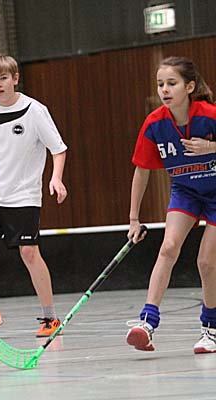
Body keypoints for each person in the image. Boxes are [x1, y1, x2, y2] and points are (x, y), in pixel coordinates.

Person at [0, 54, 68, 339]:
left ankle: (50, 318)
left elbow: (58, 149)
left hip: (24, 196)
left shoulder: (35, 111)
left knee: (29, 252)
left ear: (15, 79)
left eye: (3, 78)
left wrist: (56, 178)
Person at [126, 56, 216, 353]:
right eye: (160, 84)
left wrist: (211, 147)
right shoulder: (155, 123)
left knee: (206, 262)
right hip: (186, 191)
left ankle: (211, 329)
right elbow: (142, 170)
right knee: (168, 247)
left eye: (171, 83)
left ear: (189, 87)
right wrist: (134, 218)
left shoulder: (209, 115)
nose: (164, 89)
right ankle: (147, 323)